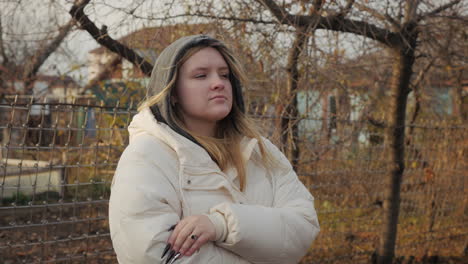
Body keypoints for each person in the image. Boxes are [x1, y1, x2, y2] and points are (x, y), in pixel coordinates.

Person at [109, 34, 320, 264]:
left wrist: (221, 225)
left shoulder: (261, 150)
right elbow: (152, 255)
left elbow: (303, 227)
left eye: (224, 75)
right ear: (172, 93)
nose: (218, 83)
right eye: (201, 75)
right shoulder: (146, 157)